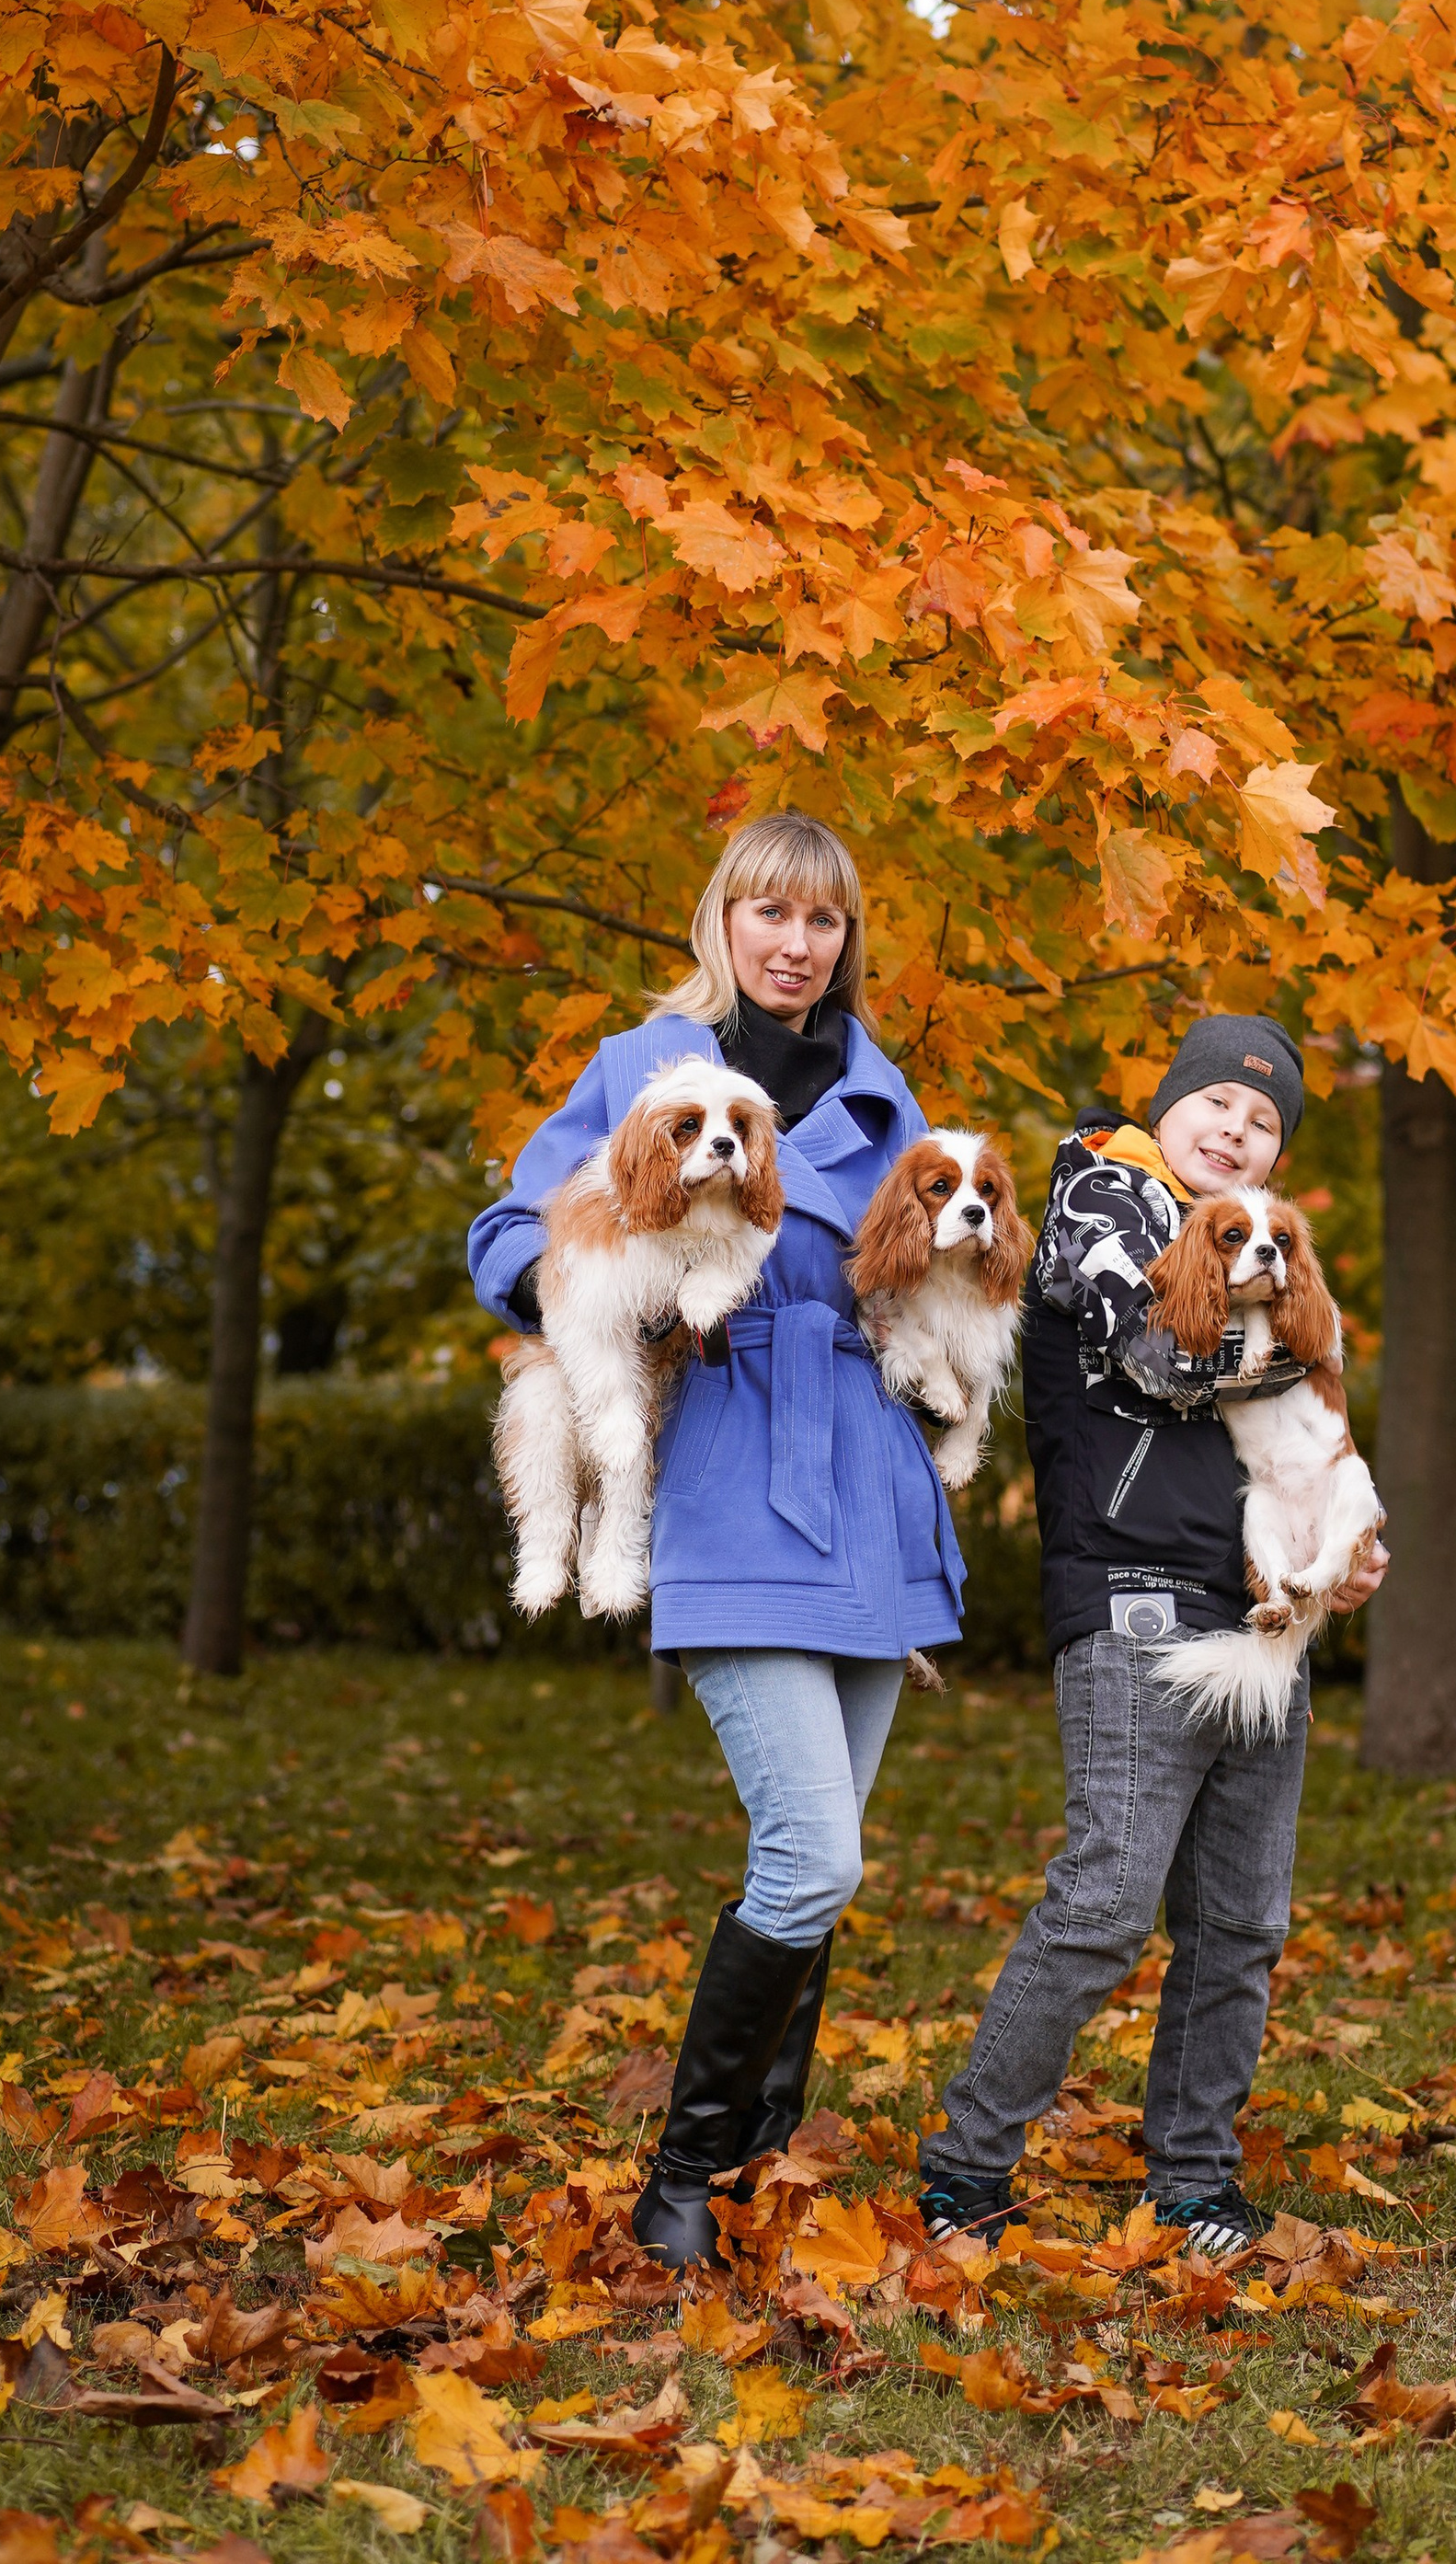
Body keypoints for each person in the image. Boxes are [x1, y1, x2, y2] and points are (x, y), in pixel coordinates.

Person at [467, 813, 961, 2265]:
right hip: (727, 1461)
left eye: (823, 921)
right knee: (813, 1854)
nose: (795, 945)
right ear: (722, 920)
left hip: (868, 1475)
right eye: (769, 913)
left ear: (846, 940)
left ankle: (757, 2160)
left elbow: (937, 1269)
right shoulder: (645, 1069)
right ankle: (679, 2185)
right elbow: (512, 1227)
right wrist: (590, 1294)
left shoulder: (881, 1095)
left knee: (824, 1852)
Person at [916, 1013, 1388, 2263]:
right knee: (1107, 1901)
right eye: (1218, 1103)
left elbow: (1302, 1414)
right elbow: (1156, 1360)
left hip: (1259, 1612)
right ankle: (966, 2167)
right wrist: (1301, 1340)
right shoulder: (1102, 1193)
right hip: (1133, 1593)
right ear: (1167, 1103)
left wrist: (1341, 1540)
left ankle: (1193, 2182)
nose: (1236, 1129)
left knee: (1242, 1926)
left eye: (1265, 1121)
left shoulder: (1250, 1235)